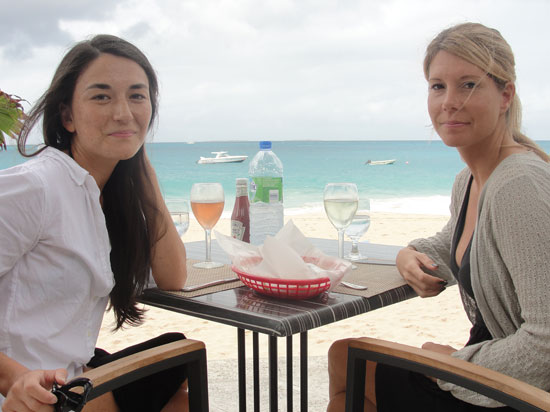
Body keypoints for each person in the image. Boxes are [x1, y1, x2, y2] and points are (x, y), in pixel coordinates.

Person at [327, 22, 550, 411]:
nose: (449, 101)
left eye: (469, 85)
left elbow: (546, 342)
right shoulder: (470, 179)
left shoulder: (518, 183)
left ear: (505, 95)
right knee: (345, 357)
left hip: (523, 392)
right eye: (437, 86)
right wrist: (408, 252)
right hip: (496, 366)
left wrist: (452, 364)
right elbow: (459, 242)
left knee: (351, 364)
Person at [0, 35, 190, 411]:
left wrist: (140, 168)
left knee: (182, 364)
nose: (123, 112)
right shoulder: (36, 188)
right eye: (101, 96)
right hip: (26, 393)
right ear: (67, 115)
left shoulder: (104, 194)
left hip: (71, 376)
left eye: (137, 96)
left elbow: (173, 278)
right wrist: (13, 379)